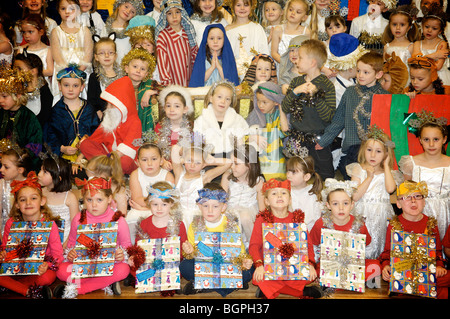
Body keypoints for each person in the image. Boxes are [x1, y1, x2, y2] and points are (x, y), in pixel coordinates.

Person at [315, 51, 389, 180]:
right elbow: (338, 120)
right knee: (353, 185)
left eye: (366, 72)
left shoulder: (385, 96)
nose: (360, 75)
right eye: (358, 71)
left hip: (376, 151)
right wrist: (324, 140)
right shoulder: (350, 93)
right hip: (353, 150)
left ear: (378, 74)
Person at [55, 177, 132, 298]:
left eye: (99, 200)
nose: (94, 205)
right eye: (89, 200)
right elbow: (71, 244)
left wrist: (121, 255)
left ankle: (79, 289)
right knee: (61, 270)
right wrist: (70, 255)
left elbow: (128, 247)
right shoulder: (79, 219)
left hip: (110, 265)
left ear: (109, 199)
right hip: (84, 267)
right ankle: (105, 284)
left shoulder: (119, 220)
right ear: (84, 200)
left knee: (124, 269)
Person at [249, 178, 322, 299]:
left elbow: (307, 245)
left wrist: (310, 264)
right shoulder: (261, 220)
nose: (279, 196)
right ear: (266, 201)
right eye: (274, 193)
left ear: (290, 199)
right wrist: (259, 265)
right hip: (269, 269)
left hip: (293, 267)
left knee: (312, 274)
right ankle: (302, 292)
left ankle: (269, 291)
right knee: (259, 278)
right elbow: (254, 246)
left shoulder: (297, 219)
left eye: (283, 193)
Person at [179, 183, 253, 297]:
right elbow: (193, 255)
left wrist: (245, 262)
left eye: (215, 206)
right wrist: (189, 251)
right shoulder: (195, 226)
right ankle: (229, 285)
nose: (210, 210)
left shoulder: (231, 225)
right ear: (199, 206)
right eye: (205, 206)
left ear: (223, 207)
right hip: (205, 267)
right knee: (185, 266)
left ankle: (204, 287)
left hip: (226, 266)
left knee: (249, 270)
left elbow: (240, 252)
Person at [379, 180, 449, 299]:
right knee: (393, 276)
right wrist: (386, 266)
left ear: (424, 202)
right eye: (407, 197)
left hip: (426, 270)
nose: (413, 200)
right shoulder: (394, 224)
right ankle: (410, 288)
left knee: (445, 280)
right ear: (398, 204)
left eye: (417, 196)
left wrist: (438, 266)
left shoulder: (431, 223)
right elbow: (387, 253)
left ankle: (413, 288)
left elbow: (437, 252)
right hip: (404, 271)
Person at [0, 172, 64, 299]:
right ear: (17, 205)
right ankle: (27, 290)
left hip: (40, 270)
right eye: (23, 200)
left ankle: (15, 287)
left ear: (42, 201)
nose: (28, 203)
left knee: (48, 277)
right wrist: (3, 254)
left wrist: (47, 265)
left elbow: (58, 255)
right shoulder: (11, 223)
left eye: (33, 198)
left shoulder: (49, 224)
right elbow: (5, 247)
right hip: (15, 268)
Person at [281, 39, 336, 181]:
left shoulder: (326, 85)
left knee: (325, 177)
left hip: (319, 141)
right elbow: (285, 107)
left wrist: (316, 96)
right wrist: (295, 92)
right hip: (297, 140)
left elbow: (329, 116)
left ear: (312, 62)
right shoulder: (296, 82)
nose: (296, 61)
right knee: (295, 177)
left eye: (300, 58)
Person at [309, 178, 380, 288]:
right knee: (313, 271)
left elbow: (368, 246)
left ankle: (345, 280)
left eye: (345, 203)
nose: (341, 208)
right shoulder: (321, 224)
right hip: (330, 265)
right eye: (335, 204)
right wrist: (311, 265)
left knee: (375, 266)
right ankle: (334, 280)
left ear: (352, 205)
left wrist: (358, 260)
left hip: (352, 265)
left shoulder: (359, 224)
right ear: (328, 205)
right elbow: (312, 246)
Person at [346, 125, 399, 259]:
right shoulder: (358, 169)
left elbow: (390, 189)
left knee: (380, 242)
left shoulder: (388, 173)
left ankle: (378, 268)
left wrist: (386, 166)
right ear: (364, 151)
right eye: (369, 150)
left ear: (386, 154)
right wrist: (369, 177)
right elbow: (355, 196)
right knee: (360, 245)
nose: (373, 155)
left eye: (378, 151)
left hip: (381, 215)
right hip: (361, 213)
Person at [399, 110, 450, 240]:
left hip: (445, 212)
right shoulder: (411, 163)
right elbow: (406, 191)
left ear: (444, 139)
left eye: (436, 139)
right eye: (426, 139)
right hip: (418, 212)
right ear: (420, 140)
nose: (431, 144)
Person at [127, 181, 188, 287]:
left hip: (170, 263)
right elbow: (139, 247)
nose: (159, 208)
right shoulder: (144, 224)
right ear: (149, 204)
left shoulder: (178, 224)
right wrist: (135, 257)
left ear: (171, 204)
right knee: (132, 265)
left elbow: (183, 248)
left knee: (181, 268)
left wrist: (184, 250)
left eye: (164, 204)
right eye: (155, 204)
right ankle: (143, 278)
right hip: (150, 263)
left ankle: (165, 280)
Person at [78, 75, 142, 175]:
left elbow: (129, 147)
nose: (108, 107)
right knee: (85, 144)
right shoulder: (110, 117)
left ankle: (104, 168)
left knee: (125, 162)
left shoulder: (134, 121)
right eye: (108, 104)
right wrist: (79, 158)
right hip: (108, 156)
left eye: (111, 105)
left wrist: (110, 158)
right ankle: (108, 169)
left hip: (123, 157)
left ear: (122, 105)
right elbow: (95, 139)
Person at [172, 132, 231, 231]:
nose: (192, 165)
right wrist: (186, 152)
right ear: (184, 160)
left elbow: (228, 162)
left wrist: (209, 160)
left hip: (196, 216)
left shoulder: (204, 178)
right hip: (179, 215)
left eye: (198, 162)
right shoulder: (179, 174)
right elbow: (174, 149)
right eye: (189, 161)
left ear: (204, 164)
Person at [326, 33, 368, 170]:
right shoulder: (336, 88)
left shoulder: (355, 81)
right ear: (351, 67)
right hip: (341, 140)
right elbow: (340, 118)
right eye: (359, 68)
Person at [45, 65, 100, 164]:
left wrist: (87, 140)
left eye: (75, 86)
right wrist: (61, 148)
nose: (70, 89)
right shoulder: (55, 111)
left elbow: (96, 131)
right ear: (59, 86)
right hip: (64, 159)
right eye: (66, 85)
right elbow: (50, 135)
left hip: (87, 157)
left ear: (82, 87)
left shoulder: (89, 108)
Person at [128, 141, 175, 243]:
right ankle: (132, 247)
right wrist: (144, 208)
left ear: (161, 160)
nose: (149, 163)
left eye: (154, 159)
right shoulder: (135, 174)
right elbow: (137, 199)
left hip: (163, 208)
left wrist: (144, 207)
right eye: (144, 160)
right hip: (140, 209)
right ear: (138, 162)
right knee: (132, 217)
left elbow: (168, 200)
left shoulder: (167, 176)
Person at [221, 143, 265, 247]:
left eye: (236, 163)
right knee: (230, 216)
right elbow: (221, 200)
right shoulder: (227, 177)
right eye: (231, 162)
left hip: (249, 212)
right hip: (230, 209)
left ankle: (253, 246)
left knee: (244, 217)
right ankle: (231, 248)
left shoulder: (258, 181)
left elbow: (262, 209)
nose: (232, 166)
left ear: (249, 165)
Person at [193, 80, 250, 160]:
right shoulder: (201, 121)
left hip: (231, 158)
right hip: (209, 158)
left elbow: (240, 145)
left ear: (231, 102)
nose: (223, 101)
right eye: (219, 97)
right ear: (211, 98)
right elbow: (197, 144)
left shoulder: (237, 120)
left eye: (227, 99)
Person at [0, 67, 43, 170]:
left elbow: (35, 145)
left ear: (18, 95)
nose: (0, 100)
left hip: (20, 165)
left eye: (4, 96)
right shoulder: (1, 114)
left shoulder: (29, 118)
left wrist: (18, 157)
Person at [50, 0, 94, 98]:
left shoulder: (85, 30)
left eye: (71, 9)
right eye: (63, 8)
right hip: (63, 73)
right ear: (58, 11)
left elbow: (88, 54)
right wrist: (68, 74)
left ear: (78, 10)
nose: (67, 12)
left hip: (82, 71)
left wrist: (79, 72)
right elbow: (57, 56)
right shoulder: (55, 32)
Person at [247, 81, 288, 180]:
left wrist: (281, 107)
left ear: (275, 101)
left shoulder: (280, 115)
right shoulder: (256, 114)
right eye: (258, 101)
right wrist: (252, 137)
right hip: (257, 156)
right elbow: (242, 133)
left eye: (264, 102)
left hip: (276, 157)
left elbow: (285, 130)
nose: (260, 105)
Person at [38, 151, 79, 248]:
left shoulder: (69, 197)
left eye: (44, 172)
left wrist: (66, 245)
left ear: (58, 178)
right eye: (40, 170)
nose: (39, 174)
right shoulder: (39, 193)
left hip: (65, 243)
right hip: (44, 243)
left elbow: (76, 224)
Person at [155, 0, 198, 86]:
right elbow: (162, 63)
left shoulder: (188, 33)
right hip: (173, 86)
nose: (174, 16)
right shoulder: (163, 36)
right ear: (165, 16)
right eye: (169, 13)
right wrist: (168, 84)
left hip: (190, 84)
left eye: (177, 12)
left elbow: (194, 55)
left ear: (182, 13)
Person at [225, 0, 270, 79]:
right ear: (232, 7)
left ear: (251, 7)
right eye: (238, 5)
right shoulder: (227, 30)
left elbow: (264, 52)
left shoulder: (257, 28)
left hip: (254, 75)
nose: (242, 8)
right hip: (233, 74)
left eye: (246, 5)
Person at [154, 84, 194, 166]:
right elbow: (156, 148)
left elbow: (194, 150)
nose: (172, 109)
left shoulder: (191, 127)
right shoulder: (160, 126)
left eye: (177, 106)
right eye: (168, 106)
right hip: (165, 164)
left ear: (185, 109)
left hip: (184, 164)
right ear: (164, 108)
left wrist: (184, 159)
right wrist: (163, 162)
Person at [284, 148, 323, 231]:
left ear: (306, 177)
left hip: (307, 234)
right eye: (288, 171)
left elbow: (313, 220)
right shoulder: (285, 192)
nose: (288, 176)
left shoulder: (311, 195)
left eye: (294, 172)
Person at [13, 51, 54, 129]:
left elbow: (44, 116)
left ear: (33, 71)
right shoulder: (18, 89)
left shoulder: (44, 90)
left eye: (19, 69)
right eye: (15, 68)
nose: (15, 72)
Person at [411, 4, 450, 86]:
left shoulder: (442, 44)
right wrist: (434, 55)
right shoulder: (417, 44)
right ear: (422, 26)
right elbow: (415, 61)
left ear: (440, 31)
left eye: (434, 28)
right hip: (421, 79)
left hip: (440, 78)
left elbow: (438, 67)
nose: (429, 30)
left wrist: (422, 58)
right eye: (427, 26)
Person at [121, 47, 158, 132]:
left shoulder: (150, 85)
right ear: (126, 68)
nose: (138, 71)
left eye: (142, 69)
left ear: (146, 74)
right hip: (124, 129)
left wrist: (149, 92)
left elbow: (168, 90)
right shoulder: (120, 85)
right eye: (135, 66)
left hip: (145, 131)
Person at [87, 33, 123, 119]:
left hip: (121, 113)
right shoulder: (94, 76)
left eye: (110, 53)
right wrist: (98, 111)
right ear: (96, 57)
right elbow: (91, 99)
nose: (107, 56)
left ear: (115, 56)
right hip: (103, 116)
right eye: (102, 53)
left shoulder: (122, 75)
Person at [102, 0, 143, 65]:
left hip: (126, 67)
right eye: (126, 7)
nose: (128, 11)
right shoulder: (106, 28)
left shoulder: (133, 31)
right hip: (109, 66)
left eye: (132, 12)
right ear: (119, 5)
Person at [0, 148, 31, 233]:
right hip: (5, 232)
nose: (1, 169)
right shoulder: (2, 185)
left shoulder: (31, 185)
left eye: (6, 167)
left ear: (20, 170)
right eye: (1, 165)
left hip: (26, 232)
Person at [16, 14, 54, 80]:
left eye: (30, 32)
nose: (26, 35)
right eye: (24, 32)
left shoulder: (47, 50)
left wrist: (32, 73)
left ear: (41, 32)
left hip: (43, 85)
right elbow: (17, 69)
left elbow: (50, 71)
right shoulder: (21, 50)